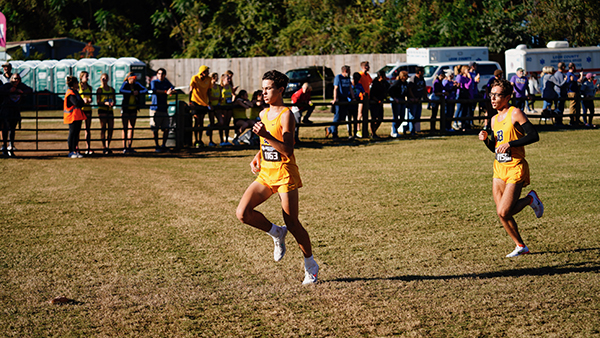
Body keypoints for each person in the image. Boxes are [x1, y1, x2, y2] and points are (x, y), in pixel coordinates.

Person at [236, 70, 319, 285]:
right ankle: (276, 233)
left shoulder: (286, 115)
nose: (263, 92)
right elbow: (266, 145)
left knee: (292, 223)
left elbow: (288, 150)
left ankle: (310, 265)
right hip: (266, 174)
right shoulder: (263, 114)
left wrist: (265, 135)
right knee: (243, 213)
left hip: (284, 174)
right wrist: (257, 156)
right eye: (263, 88)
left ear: (280, 90)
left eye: (268, 88)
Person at [478, 78, 544, 258]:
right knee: (502, 213)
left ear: (507, 97)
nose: (493, 99)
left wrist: (511, 143)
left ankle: (531, 199)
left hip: (515, 166)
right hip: (499, 168)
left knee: (504, 210)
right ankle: (520, 245)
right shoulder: (493, 119)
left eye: (497, 95)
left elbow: (534, 135)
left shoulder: (515, 113)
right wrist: (487, 141)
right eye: (491, 95)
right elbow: (495, 148)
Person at [0, 73, 32, 157]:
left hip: (15, 111)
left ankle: (11, 146)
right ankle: (4, 146)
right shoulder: (7, 86)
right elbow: (0, 90)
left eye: (17, 79)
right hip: (6, 111)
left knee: (12, 129)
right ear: (11, 79)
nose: (16, 80)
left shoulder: (21, 86)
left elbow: (30, 90)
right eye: (14, 79)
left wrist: (22, 92)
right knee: (5, 129)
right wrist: (9, 91)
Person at [119, 74, 148, 153]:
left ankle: (129, 146)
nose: (134, 80)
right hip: (125, 108)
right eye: (132, 78)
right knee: (125, 127)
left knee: (131, 127)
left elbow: (145, 90)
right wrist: (131, 92)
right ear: (129, 79)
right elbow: (121, 90)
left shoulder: (136, 84)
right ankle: (124, 147)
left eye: (135, 78)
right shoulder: (125, 84)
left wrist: (138, 92)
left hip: (133, 109)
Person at [149, 68, 175, 152]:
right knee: (155, 128)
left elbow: (172, 87)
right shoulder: (154, 82)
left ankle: (163, 145)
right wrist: (165, 91)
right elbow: (154, 90)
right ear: (157, 74)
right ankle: (157, 145)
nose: (160, 75)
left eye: (162, 74)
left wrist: (171, 90)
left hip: (164, 109)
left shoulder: (166, 82)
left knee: (166, 128)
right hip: (155, 108)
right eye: (159, 73)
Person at [327, 65, 354, 140]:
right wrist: (335, 99)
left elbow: (350, 88)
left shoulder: (348, 78)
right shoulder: (338, 77)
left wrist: (353, 98)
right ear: (345, 71)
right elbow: (335, 88)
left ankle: (329, 129)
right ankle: (334, 134)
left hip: (345, 99)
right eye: (349, 71)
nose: (350, 72)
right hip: (339, 99)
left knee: (342, 118)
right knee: (337, 117)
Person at [63, 76, 87, 159]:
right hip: (72, 116)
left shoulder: (75, 92)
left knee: (76, 134)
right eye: (77, 83)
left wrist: (81, 102)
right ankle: (71, 151)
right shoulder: (70, 93)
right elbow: (77, 102)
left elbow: (81, 103)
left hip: (77, 116)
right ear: (73, 84)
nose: (78, 84)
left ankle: (75, 150)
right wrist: (81, 102)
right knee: (72, 134)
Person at [189, 65, 213, 147]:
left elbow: (209, 91)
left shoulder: (209, 79)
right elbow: (191, 89)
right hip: (195, 101)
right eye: (207, 71)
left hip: (204, 102)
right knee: (196, 120)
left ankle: (200, 139)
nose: (208, 73)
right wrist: (190, 102)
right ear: (202, 72)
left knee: (201, 122)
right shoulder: (195, 78)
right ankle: (196, 140)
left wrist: (209, 102)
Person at [96, 73, 116, 154]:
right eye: (103, 78)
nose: (104, 80)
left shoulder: (112, 89)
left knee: (111, 128)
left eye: (106, 78)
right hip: (102, 110)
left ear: (108, 79)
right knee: (103, 128)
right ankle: (104, 146)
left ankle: (108, 145)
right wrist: (105, 103)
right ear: (100, 79)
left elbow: (114, 99)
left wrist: (112, 103)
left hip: (110, 110)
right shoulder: (99, 90)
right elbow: (98, 101)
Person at [369, 69, 389, 138]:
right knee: (374, 118)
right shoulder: (375, 83)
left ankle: (374, 131)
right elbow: (372, 94)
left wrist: (386, 98)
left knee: (380, 118)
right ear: (380, 76)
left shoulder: (384, 83)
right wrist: (377, 101)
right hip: (374, 103)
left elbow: (386, 91)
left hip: (380, 103)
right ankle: (373, 133)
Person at [406, 66, 427, 135]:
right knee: (412, 116)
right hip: (413, 100)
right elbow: (409, 89)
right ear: (419, 72)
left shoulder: (422, 79)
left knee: (417, 116)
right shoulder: (413, 78)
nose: (424, 73)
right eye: (423, 71)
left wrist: (426, 97)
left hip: (419, 99)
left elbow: (424, 88)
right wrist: (413, 97)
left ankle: (408, 128)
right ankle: (412, 131)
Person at [388, 70, 408, 137]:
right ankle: (394, 131)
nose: (407, 77)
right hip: (396, 99)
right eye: (406, 76)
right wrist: (394, 98)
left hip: (402, 100)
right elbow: (390, 90)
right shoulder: (397, 83)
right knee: (396, 116)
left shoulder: (405, 83)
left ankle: (395, 128)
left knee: (402, 116)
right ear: (403, 76)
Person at [78, 71, 94, 154]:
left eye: (88, 76)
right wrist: (82, 100)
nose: (87, 78)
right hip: (81, 109)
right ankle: (76, 147)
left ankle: (88, 148)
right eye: (85, 76)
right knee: (78, 129)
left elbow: (91, 97)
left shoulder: (89, 87)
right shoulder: (78, 87)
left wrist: (90, 100)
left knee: (87, 129)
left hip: (88, 109)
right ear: (81, 77)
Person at [356, 61, 372, 138]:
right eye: (367, 66)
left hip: (367, 97)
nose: (368, 67)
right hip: (361, 97)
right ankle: (358, 130)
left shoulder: (367, 75)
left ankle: (365, 130)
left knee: (366, 114)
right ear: (364, 67)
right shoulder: (360, 75)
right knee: (360, 114)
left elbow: (370, 82)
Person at [218, 73, 234, 146]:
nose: (229, 80)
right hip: (223, 107)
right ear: (223, 80)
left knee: (227, 123)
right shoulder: (221, 87)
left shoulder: (230, 87)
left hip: (229, 106)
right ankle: (221, 140)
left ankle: (226, 139)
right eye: (228, 79)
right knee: (222, 124)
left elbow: (233, 94)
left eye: (229, 79)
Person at [348, 72, 366, 139]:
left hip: (356, 104)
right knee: (349, 119)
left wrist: (363, 95)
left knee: (355, 119)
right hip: (349, 104)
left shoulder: (359, 85)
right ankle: (350, 134)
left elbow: (363, 92)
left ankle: (355, 133)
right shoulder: (350, 85)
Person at [553, 62, 569, 126]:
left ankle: (559, 121)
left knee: (561, 108)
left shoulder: (559, 74)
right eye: (564, 67)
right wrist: (565, 80)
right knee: (559, 109)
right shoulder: (558, 74)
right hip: (559, 94)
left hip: (561, 94)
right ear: (562, 67)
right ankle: (558, 122)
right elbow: (560, 84)